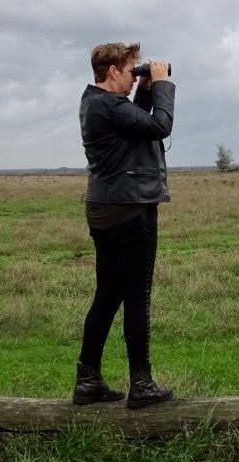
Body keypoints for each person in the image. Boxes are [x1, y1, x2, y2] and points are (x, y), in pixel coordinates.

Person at [73, 42, 175, 408]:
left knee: (108, 295)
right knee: (137, 297)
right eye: (132, 70)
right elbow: (159, 126)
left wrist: (146, 90)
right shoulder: (110, 106)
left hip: (103, 207)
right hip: (130, 209)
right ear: (113, 70)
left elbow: (136, 125)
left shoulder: (94, 102)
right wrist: (162, 84)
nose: (135, 77)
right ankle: (142, 383)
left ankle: (88, 380)